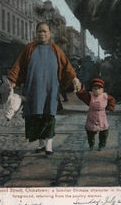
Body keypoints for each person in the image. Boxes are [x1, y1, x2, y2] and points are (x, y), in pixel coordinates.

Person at [7, 22, 81, 156]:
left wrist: (74, 78)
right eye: (39, 31)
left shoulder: (56, 49)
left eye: (45, 32)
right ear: (36, 33)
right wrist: (13, 80)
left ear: (49, 34)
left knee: (49, 115)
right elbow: (19, 65)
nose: (42, 34)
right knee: (35, 116)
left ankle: (49, 146)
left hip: (50, 90)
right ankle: (41, 145)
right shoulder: (29, 48)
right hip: (33, 90)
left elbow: (66, 66)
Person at [76, 78, 115, 150]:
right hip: (92, 116)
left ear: (102, 89)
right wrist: (79, 90)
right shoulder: (90, 96)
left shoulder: (105, 96)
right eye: (95, 88)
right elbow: (82, 95)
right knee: (90, 131)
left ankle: (102, 144)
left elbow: (112, 100)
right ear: (92, 89)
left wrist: (110, 108)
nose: (97, 90)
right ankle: (91, 144)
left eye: (99, 88)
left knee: (104, 130)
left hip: (102, 116)